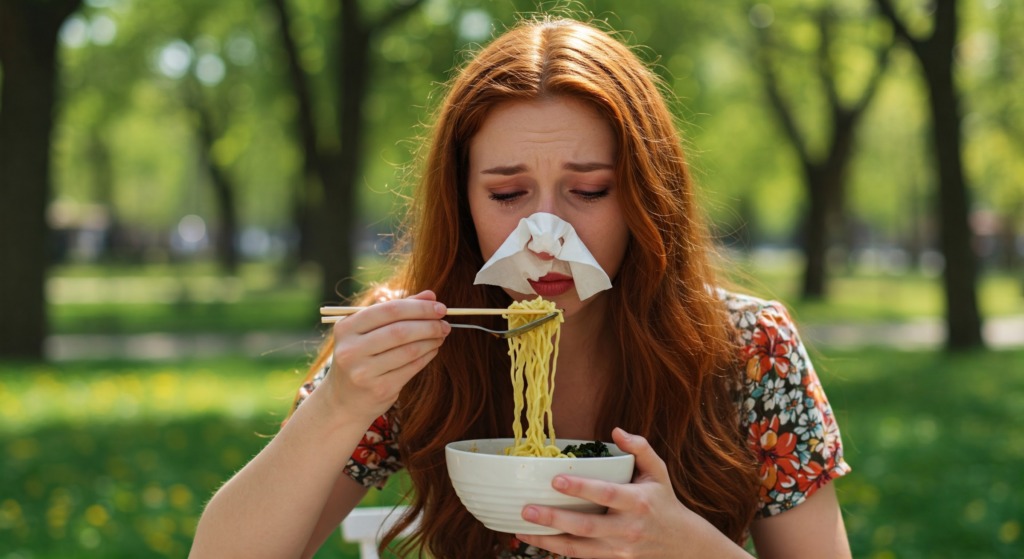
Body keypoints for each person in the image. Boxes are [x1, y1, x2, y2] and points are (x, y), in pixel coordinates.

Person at [191, 15, 852, 559]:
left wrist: (690, 549)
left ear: (646, 198)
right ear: (462, 201)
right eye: (508, 193)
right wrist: (338, 404)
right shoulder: (416, 343)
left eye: (589, 189)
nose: (545, 234)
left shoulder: (748, 348)